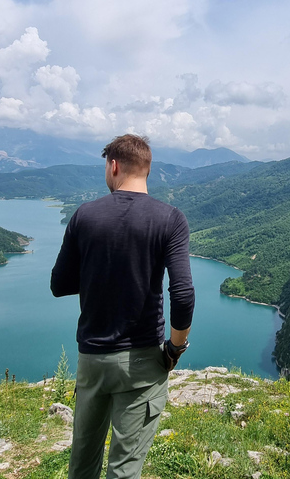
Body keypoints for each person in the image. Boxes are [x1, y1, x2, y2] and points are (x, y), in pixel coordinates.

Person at [51, 134, 195, 479]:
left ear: (113, 166)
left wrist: (99, 276)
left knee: (82, 464)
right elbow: (183, 293)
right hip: (143, 363)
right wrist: (175, 348)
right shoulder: (170, 219)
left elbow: (59, 285)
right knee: (125, 469)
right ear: (146, 169)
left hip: (93, 360)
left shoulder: (85, 215)